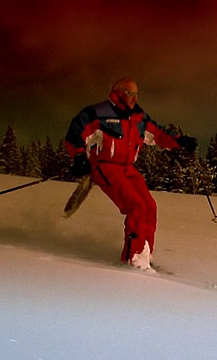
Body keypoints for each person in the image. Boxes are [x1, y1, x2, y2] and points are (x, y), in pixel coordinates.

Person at [64, 77, 198, 270]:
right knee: (136, 207)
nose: (134, 98)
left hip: (127, 167)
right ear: (117, 93)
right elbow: (75, 133)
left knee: (149, 206)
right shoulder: (97, 113)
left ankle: (145, 254)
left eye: (136, 94)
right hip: (105, 165)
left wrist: (180, 141)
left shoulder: (139, 118)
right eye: (129, 93)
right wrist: (79, 157)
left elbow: (158, 134)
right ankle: (132, 259)